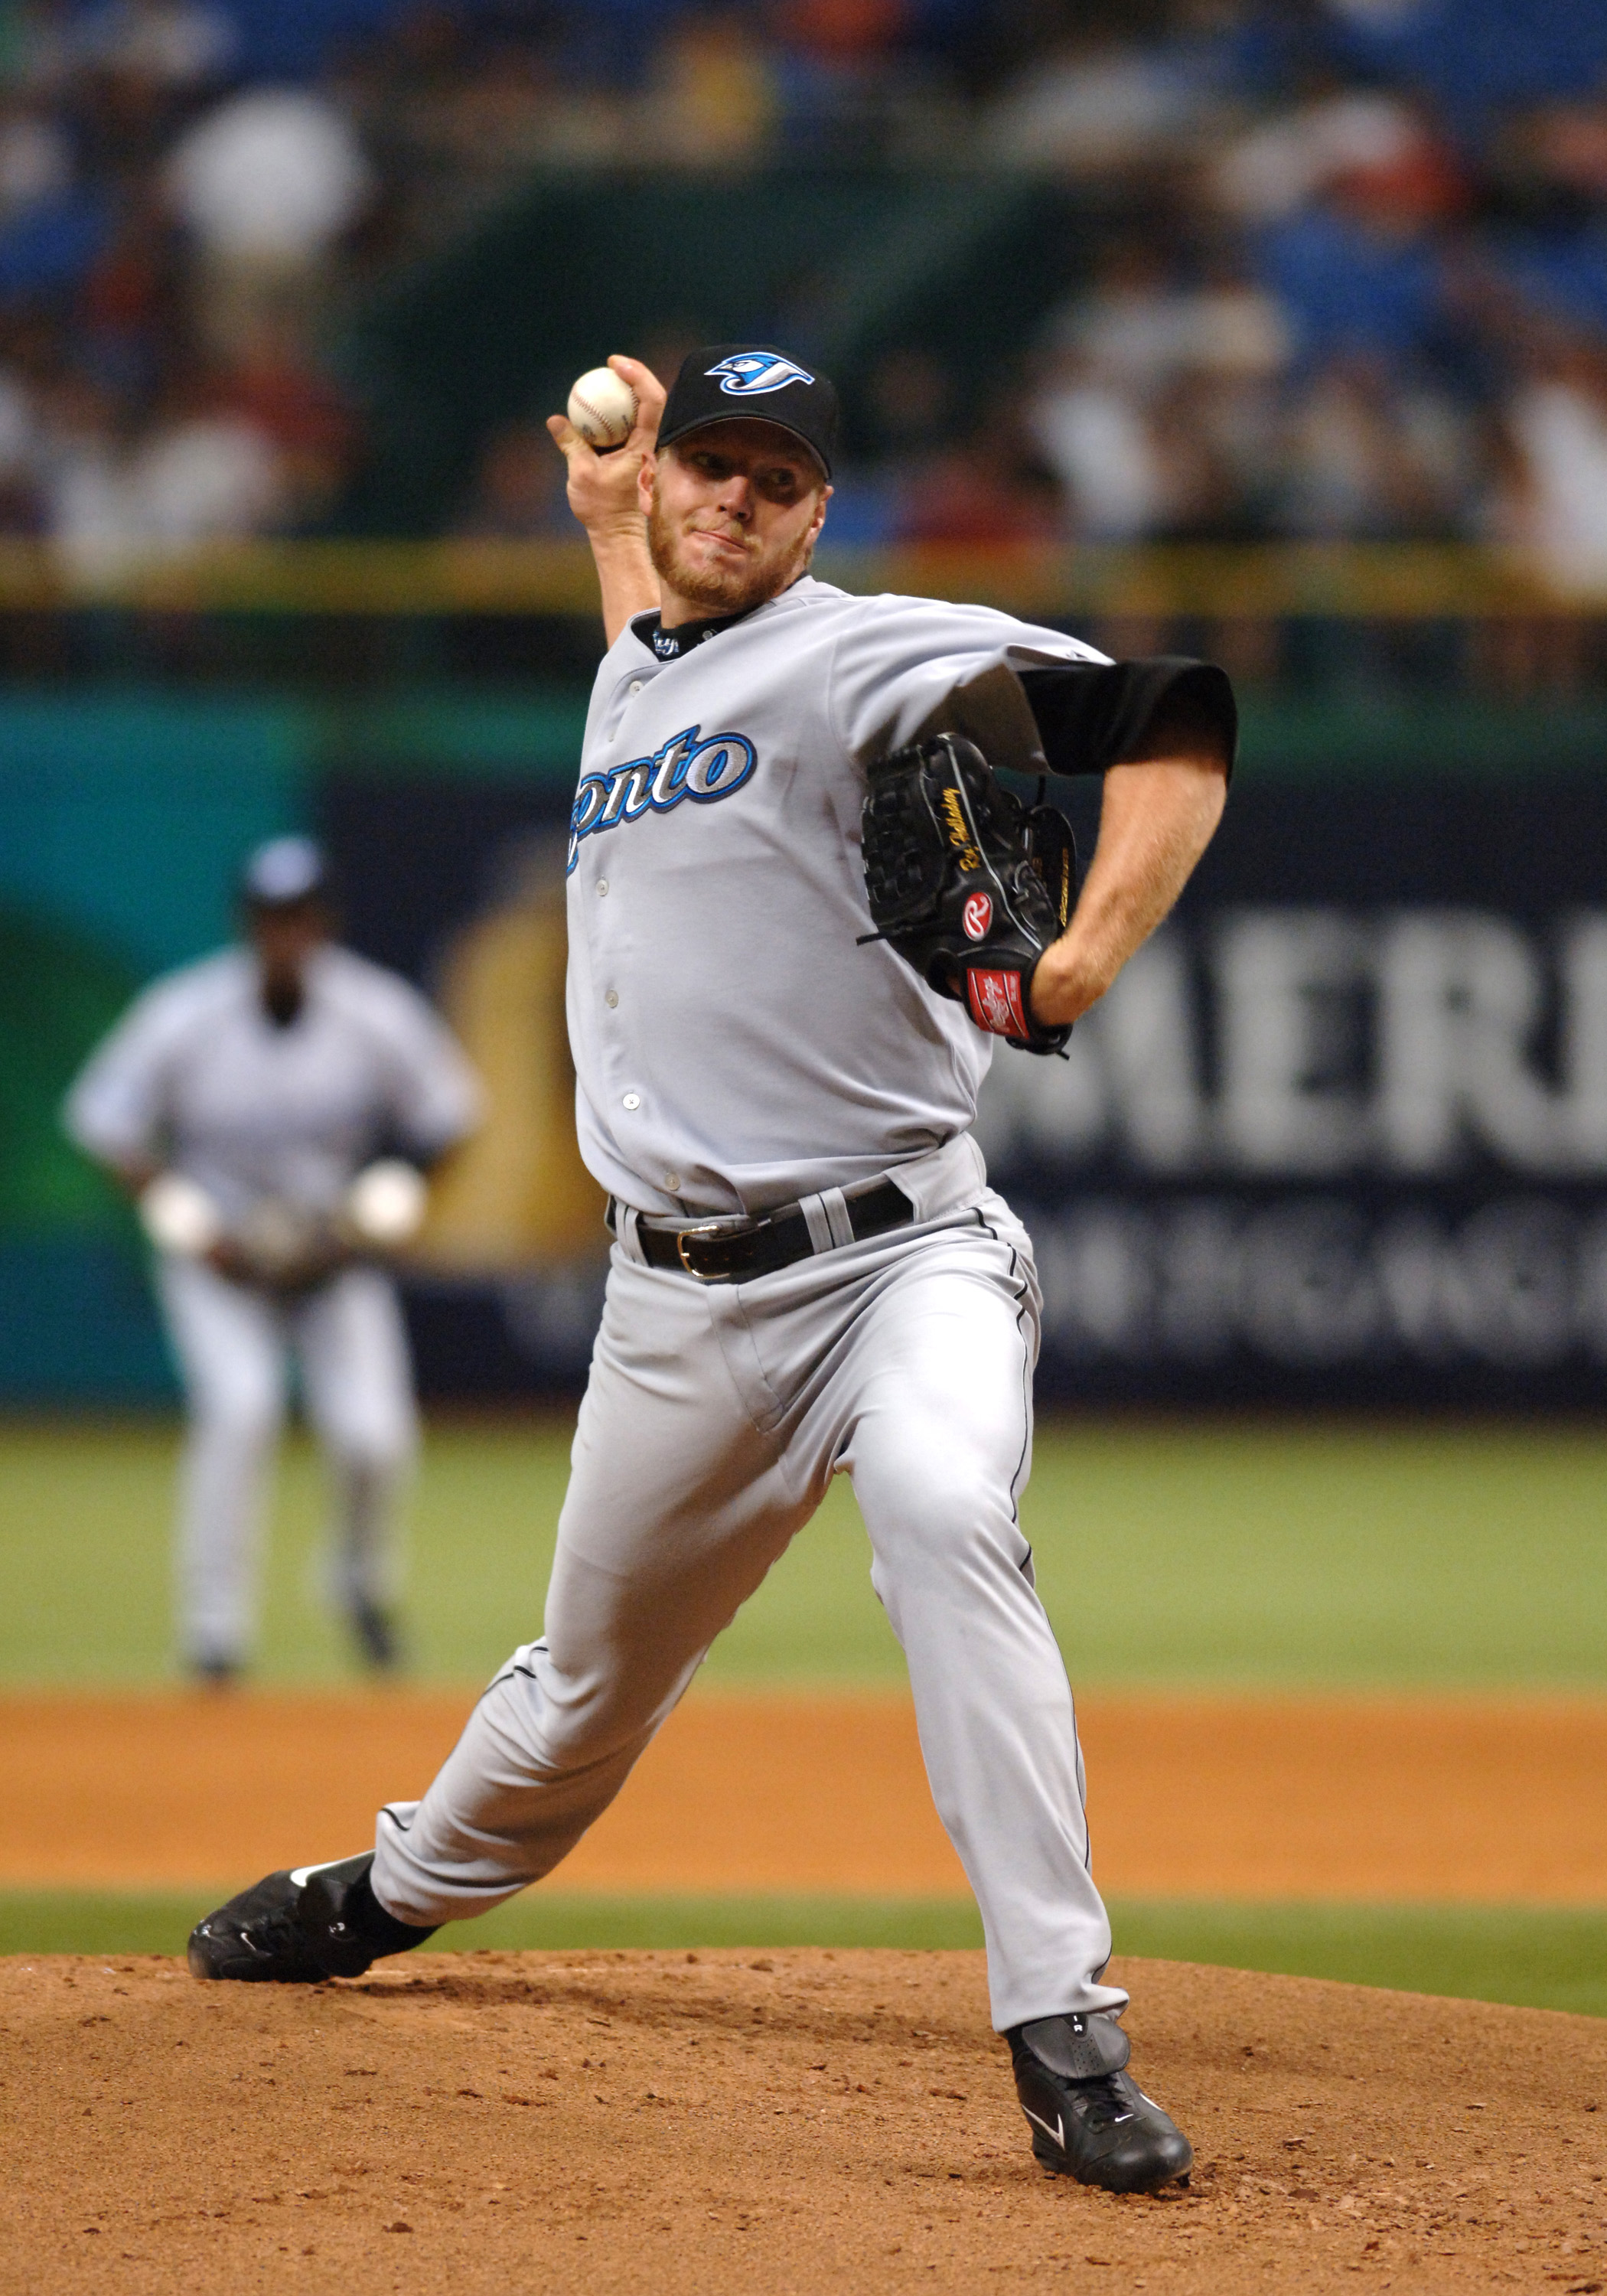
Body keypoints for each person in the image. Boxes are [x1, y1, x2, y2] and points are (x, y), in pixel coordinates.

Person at [186, 346, 1234, 2196]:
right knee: (583, 1689)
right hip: (674, 1307)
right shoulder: (635, 660)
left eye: (777, 477)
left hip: (901, 1256)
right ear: (667, 489)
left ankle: (1064, 2026)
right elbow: (655, 625)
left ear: (820, 512)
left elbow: (1176, 715)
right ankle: (393, 1885)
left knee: (937, 1500)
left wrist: (1076, 961)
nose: (737, 498)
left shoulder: (858, 649)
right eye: (712, 469)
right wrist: (607, 517)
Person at [65, 836, 481, 1681]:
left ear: (323, 922)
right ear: (247, 923)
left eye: (300, 917)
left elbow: (451, 1117)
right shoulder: (185, 1013)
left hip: (333, 1254)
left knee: (375, 1437)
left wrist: (371, 1217)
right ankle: (215, 1633)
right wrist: (190, 1224)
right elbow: (103, 1123)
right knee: (241, 1411)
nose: (287, 933)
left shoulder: (373, 1010)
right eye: (271, 918)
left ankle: (359, 1587)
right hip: (221, 1256)